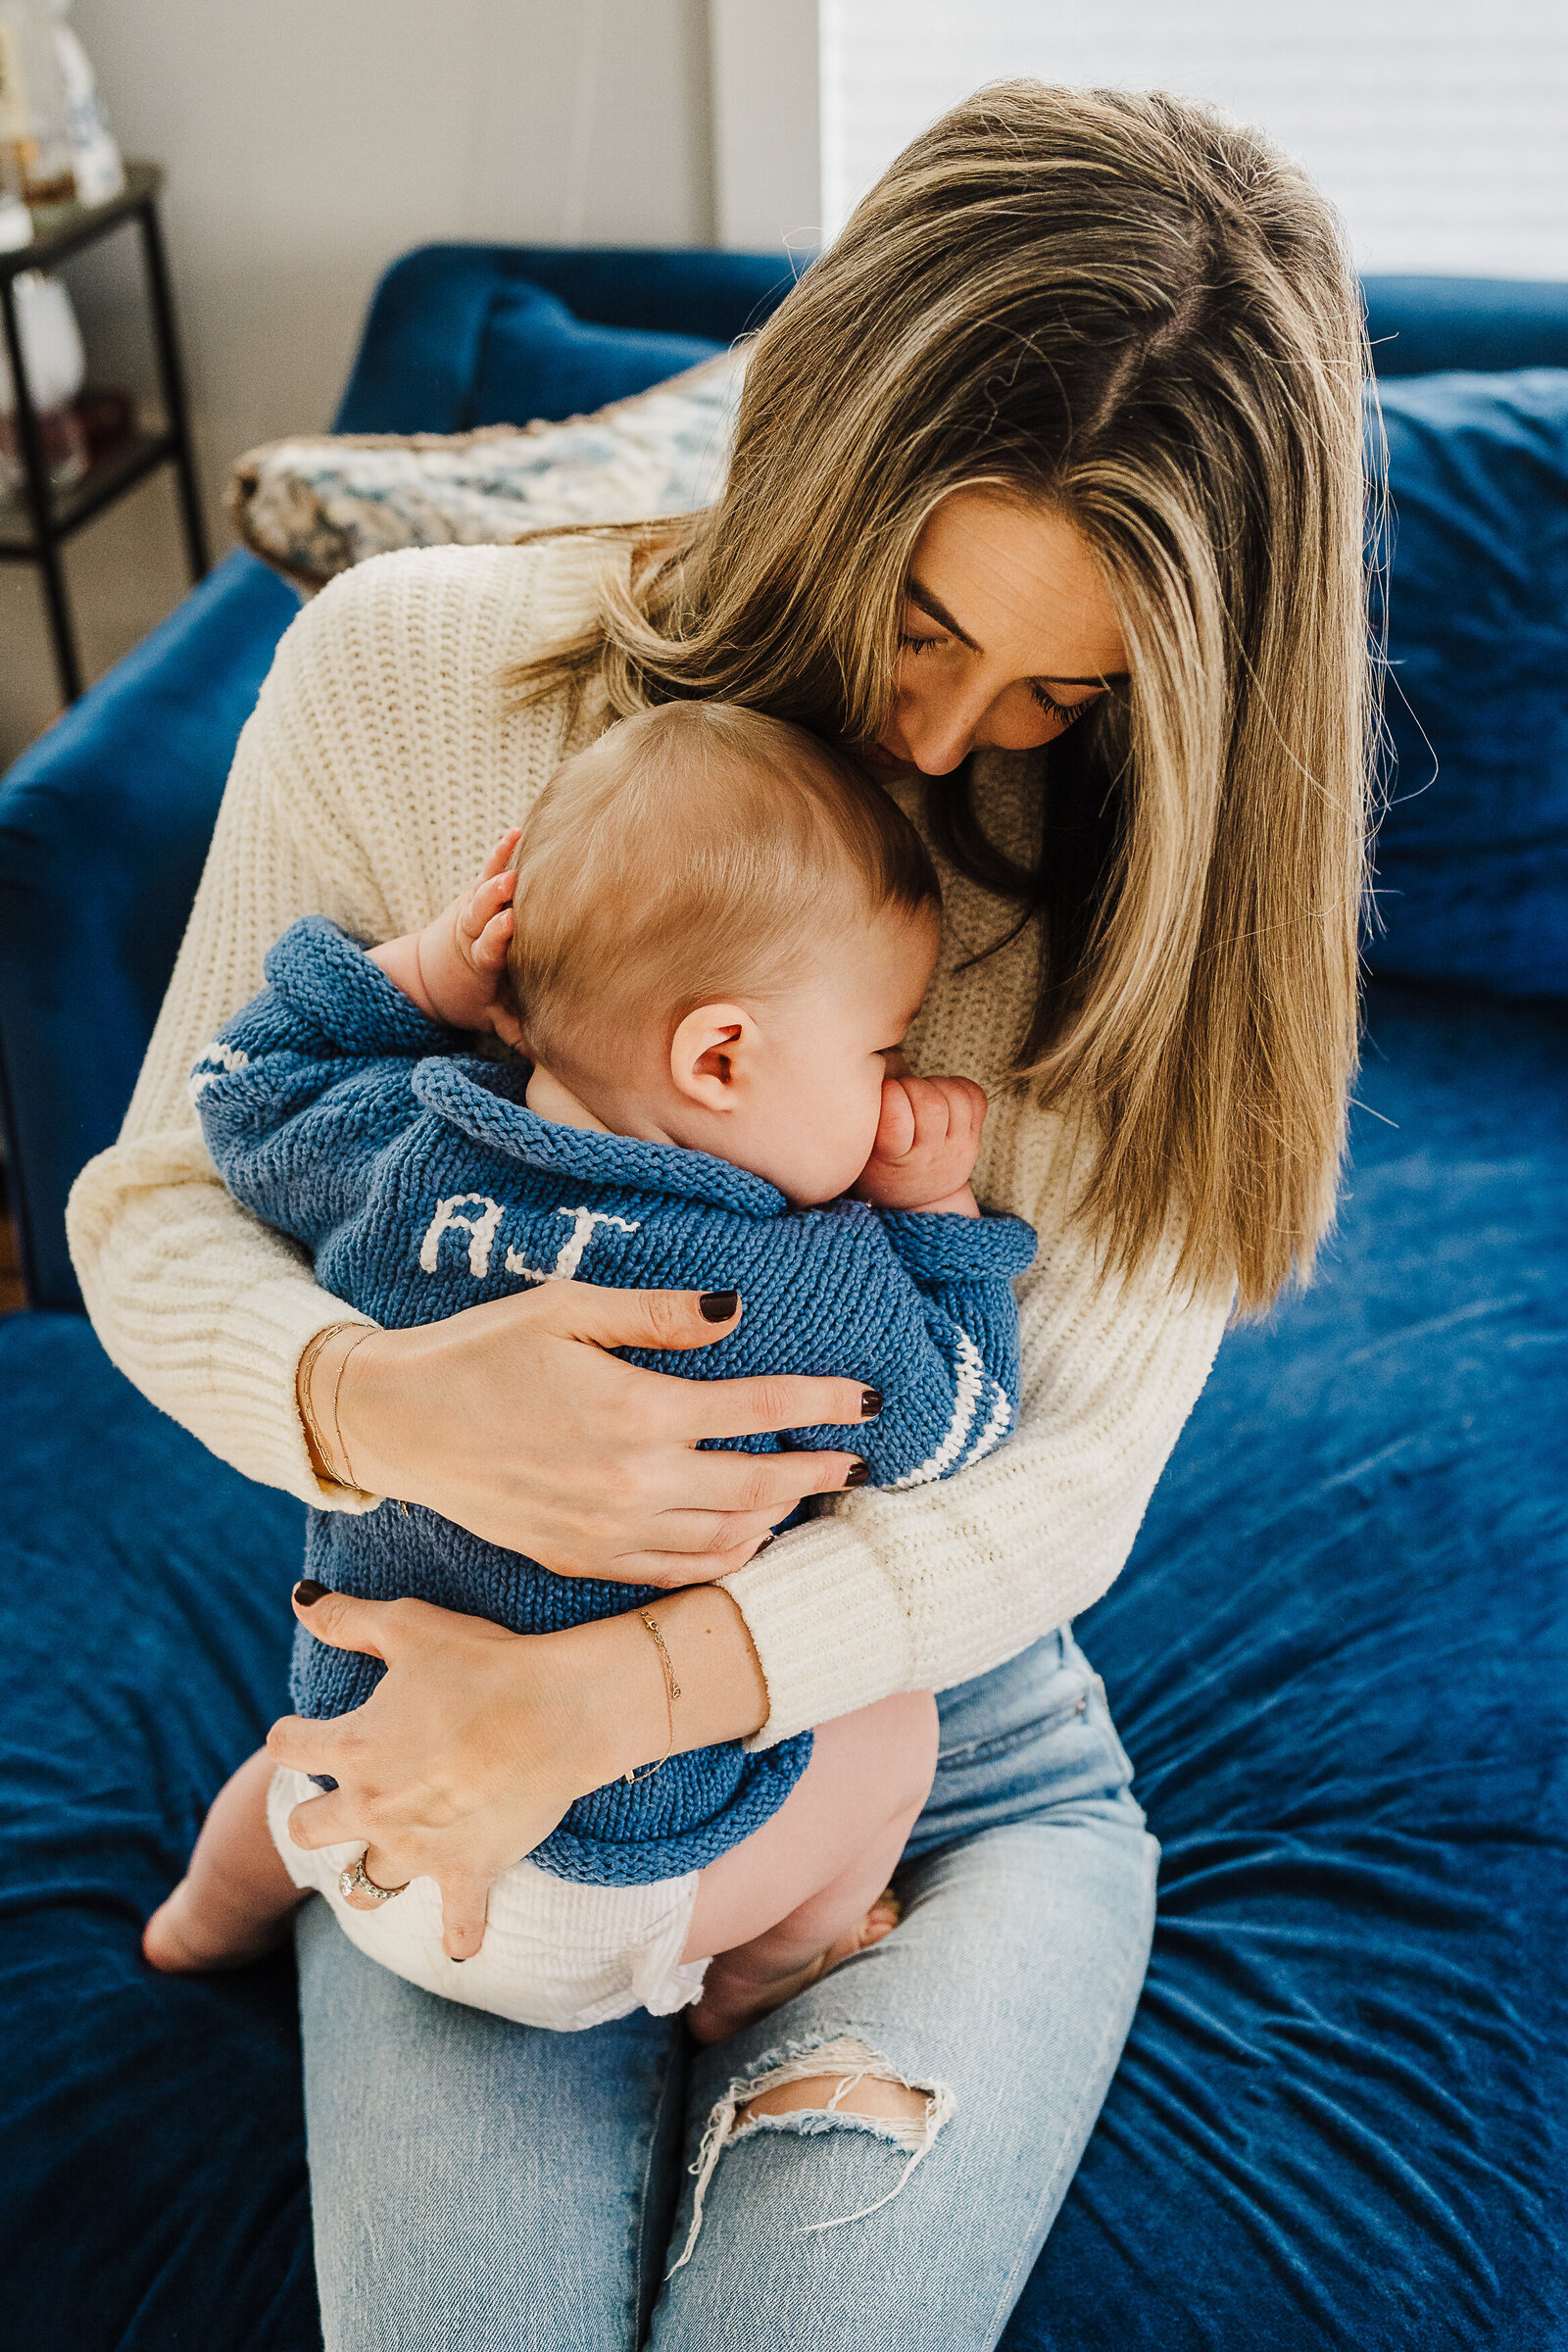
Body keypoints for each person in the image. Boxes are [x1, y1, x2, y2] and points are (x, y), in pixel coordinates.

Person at [69, 80, 1373, 2352]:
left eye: (1067, 691)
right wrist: (376, 1406)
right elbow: (162, 1197)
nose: (952, 742)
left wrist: (630, 1694)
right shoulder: (410, 676)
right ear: (824, 464)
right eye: (921, 620)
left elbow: (1056, 1481)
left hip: (930, 1740)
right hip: (447, 1656)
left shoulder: (1174, 911)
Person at [143, 703, 1036, 2052]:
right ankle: (761, 1979)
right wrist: (940, 1212)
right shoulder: (807, 1286)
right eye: (882, 1052)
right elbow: (961, 1419)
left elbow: (239, 1082)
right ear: (720, 1056)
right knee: (893, 1731)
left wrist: (420, 980)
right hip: (596, 1898)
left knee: (287, 1774)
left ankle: (209, 1915)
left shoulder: (406, 1147)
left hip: (348, 1785)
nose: (894, 1081)